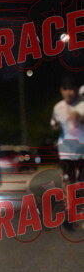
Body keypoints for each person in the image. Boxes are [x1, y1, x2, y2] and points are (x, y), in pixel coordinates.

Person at [50, 76, 84, 205]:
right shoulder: (58, 107)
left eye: (72, 89)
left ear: (76, 90)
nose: (69, 93)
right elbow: (54, 123)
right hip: (66, 150)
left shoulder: (82, 104)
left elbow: (79, 117)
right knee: (68, 179)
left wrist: (77, 116)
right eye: (66, 89)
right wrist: (55, 125)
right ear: (61, 91)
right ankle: (70, 206)